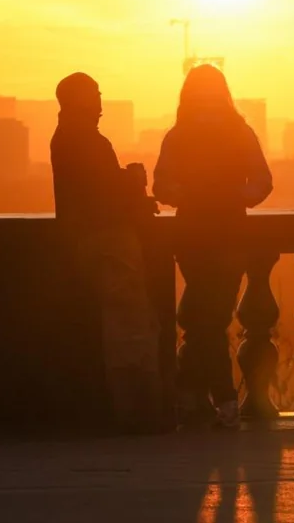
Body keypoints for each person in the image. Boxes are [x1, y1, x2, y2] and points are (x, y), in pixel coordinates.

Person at [152, 64, 273, 429]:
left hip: (205, 234)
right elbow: (262, 182)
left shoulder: (180, 135)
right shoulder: (235, 132)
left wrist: (207, 197)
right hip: (215, 234)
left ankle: (196, 393)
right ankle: (219, 399)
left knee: (208, 318)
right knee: (213, 317)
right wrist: (233, 197)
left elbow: (161, 185)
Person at [50, 72, 169, 434]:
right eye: (96, 94)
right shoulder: (84, 140)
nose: (101, 101)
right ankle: (134, 411)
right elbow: (101, 197)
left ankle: (130, 409)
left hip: (92, 245)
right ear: (82, 100)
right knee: (128, 332)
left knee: (122, 330)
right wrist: (133, 185)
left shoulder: (70, 137)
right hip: (109, 250)